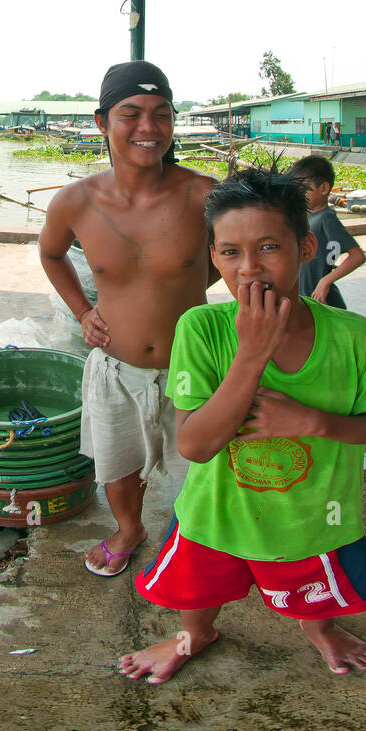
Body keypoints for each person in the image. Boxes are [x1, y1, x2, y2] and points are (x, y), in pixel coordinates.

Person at [117, 168, 366, 683]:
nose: (249, 268)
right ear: (214, 258)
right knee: (198, 588)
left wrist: (312, 422)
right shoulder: (201, 328)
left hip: (311, 515)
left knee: (311, 586)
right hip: (217, 512)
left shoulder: (352, 336)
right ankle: (195, 634)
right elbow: (196, 445)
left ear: (308, 246)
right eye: (230, 252)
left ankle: (321, 630)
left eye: (269, 246)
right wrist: (250, 355)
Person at [41, 61, 219, 580]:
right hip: (115, 367)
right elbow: (52, 255)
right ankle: (129, 530)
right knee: (117, 467)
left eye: (162, 114)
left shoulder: (205, 195)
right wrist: (82, 311)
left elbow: (237, 256)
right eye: (131, 113)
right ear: (101, 122)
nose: (149, 127)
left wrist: (189, 288)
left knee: (204, 467)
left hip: (195, 367)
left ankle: (197, 538)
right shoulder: (75, 202)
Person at [288, 154, 365, 310]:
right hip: (306, 297)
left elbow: (357, 256)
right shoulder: (307, 216)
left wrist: (325, 281)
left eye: (302, 188)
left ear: (323, 188)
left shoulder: (326, 218)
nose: (298, 193)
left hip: (322, 299)